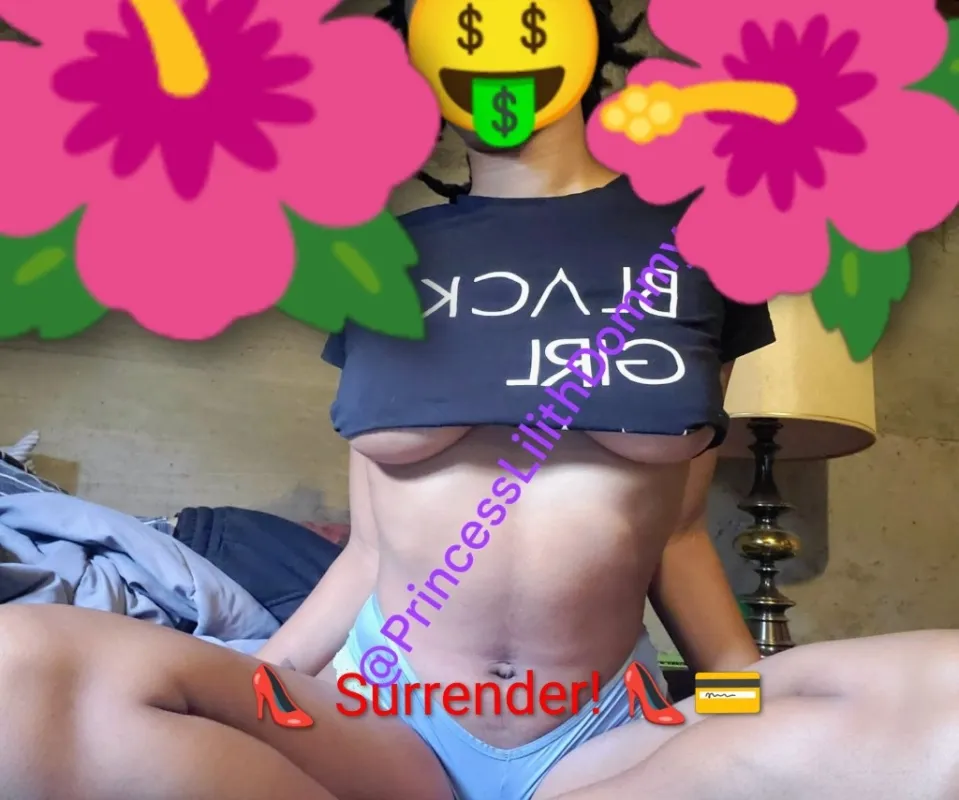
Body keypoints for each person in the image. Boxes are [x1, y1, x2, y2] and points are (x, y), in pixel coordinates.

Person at [2, 2, 956, 799]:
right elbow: (372, 546)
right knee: (24, 664)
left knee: (942, 694)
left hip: (598, 736)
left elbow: (673, 535)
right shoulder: (380, 261)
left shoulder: (693, 248)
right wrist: (270, 678)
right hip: (381, 716)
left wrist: (739, 695)